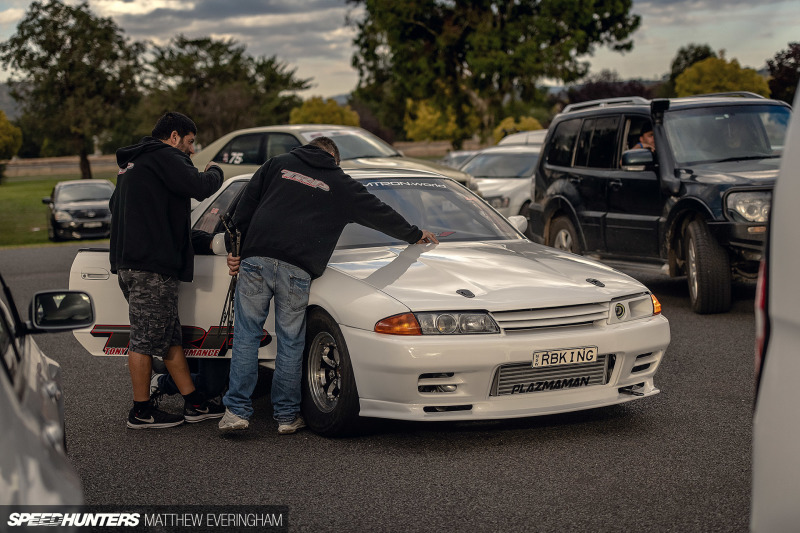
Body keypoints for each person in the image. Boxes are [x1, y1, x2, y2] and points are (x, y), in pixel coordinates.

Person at [219, 136, 438, 435]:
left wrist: (235, 250)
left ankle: (236, 413)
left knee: (246, 336)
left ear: (308, 149)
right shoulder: (340, 182)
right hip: (297, 267)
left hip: (256, 259)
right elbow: (378, 213)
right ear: (334, 158)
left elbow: (242, 210)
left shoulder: (277, 165)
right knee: (291, 341)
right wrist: (414, 234)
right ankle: (286, 417)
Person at [110, 111, 225, 429]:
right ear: (174, 136)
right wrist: (216, 170)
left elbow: (119, 209)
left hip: (131, 263)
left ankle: (194, 403)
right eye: (190, 142)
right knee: (144, 340)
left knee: (169, 338)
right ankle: (141, 410)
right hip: (151, 268)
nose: (191, 150)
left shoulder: (133, 164)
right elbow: (201, 186)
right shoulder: (164, 156)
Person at [149, 230, 235, 407]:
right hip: (215, 319)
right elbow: (185, 235)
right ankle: (161, 382)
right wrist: (212, 243)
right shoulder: (243, 215)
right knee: (211, 387)